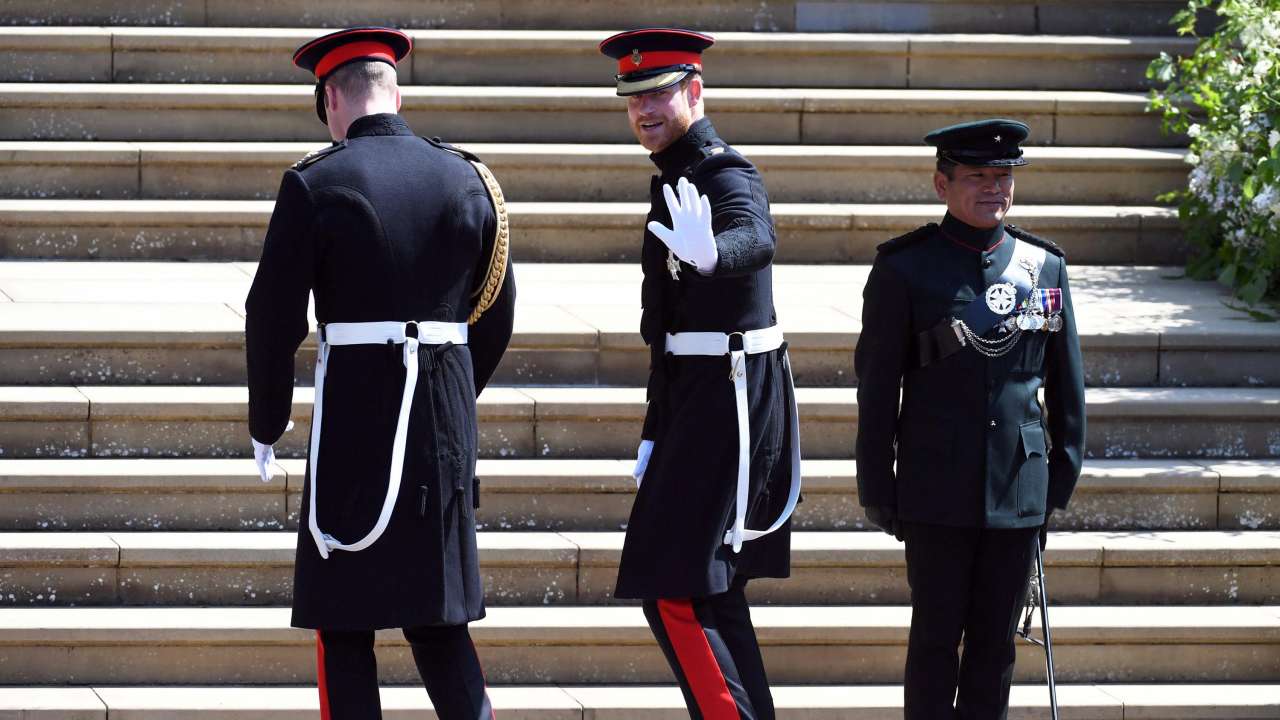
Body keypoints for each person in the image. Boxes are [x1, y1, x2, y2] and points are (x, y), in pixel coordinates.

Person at [244, 26, 514, 720]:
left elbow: (272, 315)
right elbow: (498, 309)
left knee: (344, 627)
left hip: (355, 431)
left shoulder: (315, 182)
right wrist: (449, 392)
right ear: (397, 91)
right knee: (441, 625)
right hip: (444, 429)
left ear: (333, 98)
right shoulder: (470, 178)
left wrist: (268, 421)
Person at [599, 28, 803, 719]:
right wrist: (656, 425)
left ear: (695, 90)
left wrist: (716, 253)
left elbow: (756, 235)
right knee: (708, 590)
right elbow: (669, 334)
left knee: (676, 587)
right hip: (696, 397)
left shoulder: (723, 173)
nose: (644, 111)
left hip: (730, 400)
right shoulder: (676, 177)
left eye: (657, 94)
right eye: (633, 99)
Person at [854, 118, 1086, 719]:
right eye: (977, 176)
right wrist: (879, 486)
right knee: (934, 642)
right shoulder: (904, 269)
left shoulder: (1043, 267)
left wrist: (1056, 481)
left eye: (1003, 175)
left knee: (995, 648)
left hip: (1017, 487)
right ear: (942, 184)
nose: (993, 188)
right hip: (935, 488)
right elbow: (878, 389)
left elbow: (1066, 389)